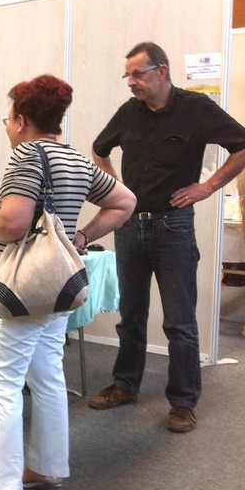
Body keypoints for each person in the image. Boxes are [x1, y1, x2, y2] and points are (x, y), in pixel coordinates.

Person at [0, 75, 135, 490]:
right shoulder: (75, 159)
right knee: (48, 376)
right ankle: (45, 468)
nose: (7, 127)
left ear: (21, 120)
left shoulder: (26, 156)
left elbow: (14, 224)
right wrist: (81, 237)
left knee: (3, 384)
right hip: (57, 290)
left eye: (7, 119)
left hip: (19, 293)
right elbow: (125, 201)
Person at [88, 41, 245, 433]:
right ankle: (125, 385)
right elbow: (99, 149)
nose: (130, 82)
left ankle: (183, 402)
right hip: (129, 227)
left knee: (179, 321)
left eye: (137, 74)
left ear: (162, 71)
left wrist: (208, 186)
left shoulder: (197, 108)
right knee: (131, 315)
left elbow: (242, 146)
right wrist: (117, 190)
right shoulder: (128, 112)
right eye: (127, 75)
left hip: (173, 227)